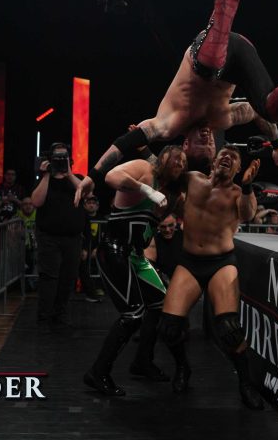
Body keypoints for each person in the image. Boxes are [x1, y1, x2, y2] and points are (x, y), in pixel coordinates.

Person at [75, 0, 278, 202]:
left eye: (200, 146)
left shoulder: (169, 123)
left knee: (208, 69)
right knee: (269, 110)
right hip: (241, 54)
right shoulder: (224, 119)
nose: (207, 140)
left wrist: (92, 177)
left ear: (185, 145)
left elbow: (123, 143)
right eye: (210, 147)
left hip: (206, 51)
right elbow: (258, 116)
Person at [158, 145, 265, 410]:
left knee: (229, 329)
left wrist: (248, 186)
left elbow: (248, 214)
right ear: (214, 161)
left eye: (234, 158)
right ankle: (182, 367)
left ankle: (246, 383)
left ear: (238, 168)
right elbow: (168, 172)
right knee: (169, 327)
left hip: (221, 263)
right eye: (224, 154)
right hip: (190, 262)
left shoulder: (238, 192)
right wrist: (146, 147)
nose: (227, 158)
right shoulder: (193, 179)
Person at [84, 145, 187, 397]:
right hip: (114, 250)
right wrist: (147, 190)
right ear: (162, 159)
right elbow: (111, 177)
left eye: (184, 161)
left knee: (164, 306)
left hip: (136, 256)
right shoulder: (145, 170)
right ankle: (97, 372)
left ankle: (143, 361)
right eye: (176, 158)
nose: (180, 163)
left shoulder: (174, 194)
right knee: (133, 314)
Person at [31, 143, 86, 331]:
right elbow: (36, 201)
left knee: (68, 277)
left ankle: (60, 314)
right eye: (57, 158)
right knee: (48, 278)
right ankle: (44, 317)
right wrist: (46, 175)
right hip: (49, 237)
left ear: (70, 159)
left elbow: (85, 192)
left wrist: (68, 173)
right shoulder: (44, 180)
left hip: (72, 238)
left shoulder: (77, 179)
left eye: (64, 157)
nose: (60, 160)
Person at [144, 213, 183, 282]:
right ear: (158, 226)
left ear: (176, 223)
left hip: (184, 276)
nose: (167, 230)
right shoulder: (153, 237)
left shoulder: (184, 232)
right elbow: (149, 265)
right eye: (163, 227)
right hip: (164, 279)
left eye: (170, 225)